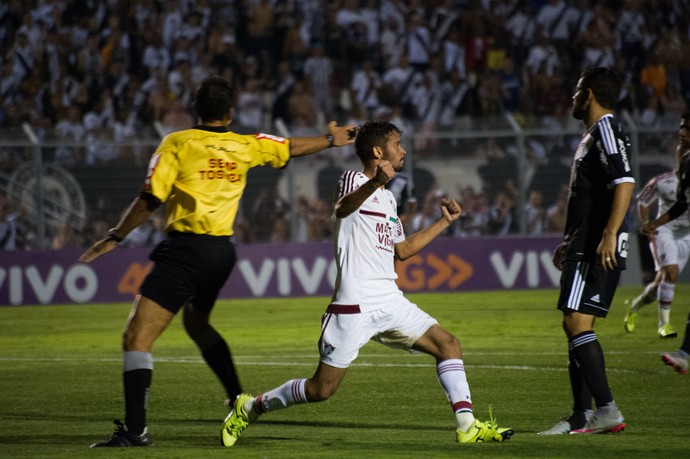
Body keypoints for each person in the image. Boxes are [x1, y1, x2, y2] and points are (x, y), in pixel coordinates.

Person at [80, 75, 358, 448]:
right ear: (230, 112)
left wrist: (115, 235)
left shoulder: (177, 143)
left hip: (187, 251)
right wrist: (329, 139)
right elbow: (289, 147)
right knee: (197, 324)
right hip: (221, 253)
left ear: (196, 108)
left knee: (136, 337)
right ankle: (237, 398)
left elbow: (151, 197)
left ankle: (135, 431)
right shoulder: (244, 145)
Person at [220, 119, 515, 447]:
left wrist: (443, 222)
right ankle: (250, 407)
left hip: (389, 300)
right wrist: (374, 183)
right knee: (322, 389)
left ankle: (467, 425)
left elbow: (402, 251)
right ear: (378, 151)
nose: (403, 150)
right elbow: (343, 209)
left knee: (448, 345)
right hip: (353, 305)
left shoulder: (388, 199)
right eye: (397, 144)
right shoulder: (353, 180)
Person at [539, 67, 634, 435]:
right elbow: (592, 197)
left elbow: (624, 181)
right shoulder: (595, 134)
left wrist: (609, 233)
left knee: (574, 322)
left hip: (595, 244)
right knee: (579, 326)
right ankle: (580, 415)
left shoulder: (606, 129)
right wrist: (570, 238)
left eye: (577, 90)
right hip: (584, 240)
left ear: (589, 94)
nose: (572, 97)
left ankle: (606, 410)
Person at [624, 143, 690, 339]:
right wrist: (647, 223)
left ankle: (634, 305)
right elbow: (643, 202)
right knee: (671, 273)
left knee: (660, 282)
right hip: (664, 231)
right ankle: (664, 325)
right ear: (678, 157)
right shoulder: (662, 181)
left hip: (686, 235)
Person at [641, 111, 690, 374]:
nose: (682, 133)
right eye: (682, 127)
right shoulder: (685, 157)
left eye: (688, 129)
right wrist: (655, 224)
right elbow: (681, 203)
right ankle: (684, 352)